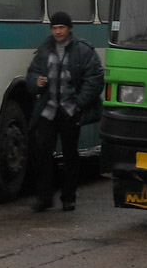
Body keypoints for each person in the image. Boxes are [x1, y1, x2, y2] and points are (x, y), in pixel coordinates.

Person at [26, 11, 103, 212]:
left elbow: (94, 78)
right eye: (54, 28)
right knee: (42, 153)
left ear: (69, 29)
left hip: (70, 111)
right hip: (48, 111)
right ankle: (44, 198)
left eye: (61, 28)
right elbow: (32, 74)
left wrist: (79, 104)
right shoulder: (45, 50)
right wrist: (37, 82)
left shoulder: (83, 50)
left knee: (70, 155)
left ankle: (68, 198)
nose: (58, 31)